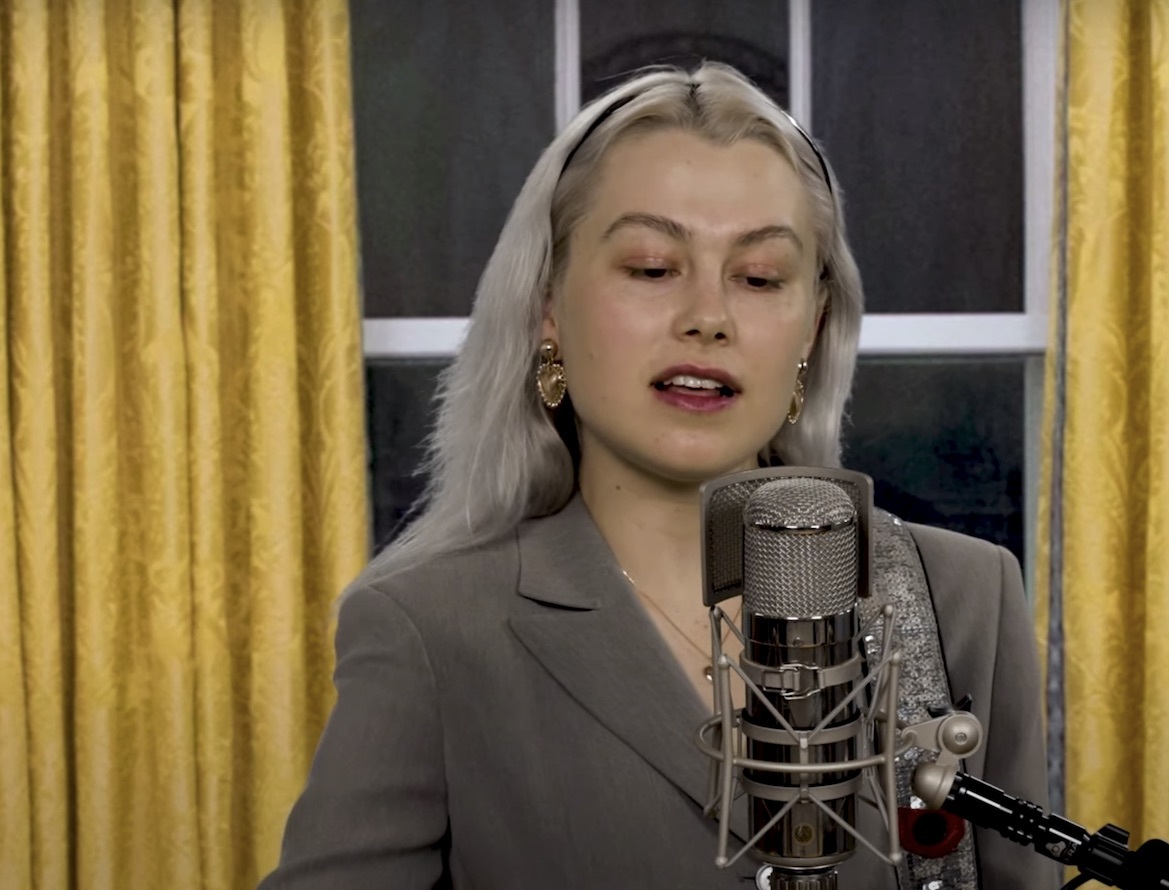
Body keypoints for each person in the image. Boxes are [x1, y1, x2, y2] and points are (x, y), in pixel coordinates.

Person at [261, 61, 1051, 889]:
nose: (708, 317)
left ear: (813, 328)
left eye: (759, 277)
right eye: (650, 267)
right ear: (547, 307)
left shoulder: (964, 598)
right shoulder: (429, 630)